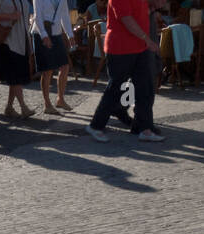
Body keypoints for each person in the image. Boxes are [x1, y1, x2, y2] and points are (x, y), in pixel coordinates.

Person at [86, 0, 162, 142]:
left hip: (139, 47)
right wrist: (147, 39)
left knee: (144, 87)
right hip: (121, 48)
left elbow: (139, 12)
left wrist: (152, 7)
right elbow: (127, 19)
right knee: (115, 88)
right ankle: (96, 126)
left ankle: (145, 129)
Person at [0, 0, 36, 119]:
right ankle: (23, 107)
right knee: (15, 76)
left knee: (14, 77)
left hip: (21, 41)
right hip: (7, 41)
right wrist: (10, 16)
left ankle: (9, 108)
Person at [33, 0, 74, 113]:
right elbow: (37, 17)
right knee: (47, 70)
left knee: (65, 66)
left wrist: (70, 34)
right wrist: (44, 35)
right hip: (41, 33)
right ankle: (47, 104)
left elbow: (64, 15)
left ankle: (60, 99)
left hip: (56, 34)